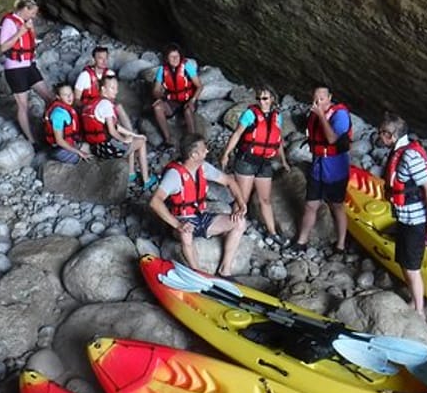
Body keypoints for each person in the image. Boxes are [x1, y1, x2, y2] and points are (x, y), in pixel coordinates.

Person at [150, 133, 248, 276]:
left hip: (201, 217)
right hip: (182, 221)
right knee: (186, 234)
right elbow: (155, 201)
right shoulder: (174, 175)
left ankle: (224, 271)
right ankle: (198, 274)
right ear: (194, 155)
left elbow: (229, 181)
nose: (207, 151)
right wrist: (178, 225)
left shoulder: (203, 167)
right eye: (204, 149)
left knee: (239, 222)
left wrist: (241, 203)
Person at [377, 112, 427, 317]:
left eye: (381, 133)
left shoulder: (409, 156)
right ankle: (414, 300)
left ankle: (419, 310)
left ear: (390, 135)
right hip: (404, 218)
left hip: (415, 220)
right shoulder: (399, 151)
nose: (379, 137)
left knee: (412, 268)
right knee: (404, 262)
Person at [219, 87, 291, 243]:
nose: (261, 102)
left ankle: (272, 233)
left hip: (265, 162)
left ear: (272, 99)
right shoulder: (250, 114)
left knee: (265, 200)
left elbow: (277, 141)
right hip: (247, 160)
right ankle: (231, 229)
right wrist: (225, 153)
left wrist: (283, 161)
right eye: (259, 98)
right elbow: (237, 134)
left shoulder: (277, 117)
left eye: (265, 98)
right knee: (242, 199)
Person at [291, 85, 351, 254]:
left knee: (337, 206)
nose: (318, 103)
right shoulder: (314, 114)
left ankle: (340, 244)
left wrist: (321, 116)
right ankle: (301, 240)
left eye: (322, 99)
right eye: (315, 99)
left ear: (330, 97)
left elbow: (332, 139)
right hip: (318, 167)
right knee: (311, 205)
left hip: (336, 170)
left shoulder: (340, 115)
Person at [81, 74, 158, 189]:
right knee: (141, 142)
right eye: (112, 88)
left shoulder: (94, 103)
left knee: (134, 139)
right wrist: (124, 139)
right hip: (106, 148)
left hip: (96, 146)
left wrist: (133, 135)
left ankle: (131, 173)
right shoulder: (106, 105)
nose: (116, 91)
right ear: (103, 89)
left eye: (116, 87)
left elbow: (116, 127)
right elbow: (112, 131)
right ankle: (146, 180)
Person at [0, 0, 54, 143]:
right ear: (24, 9)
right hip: (15, 68)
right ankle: (31, 139)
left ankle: (52, 127)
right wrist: (20, 32)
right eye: (32, 13)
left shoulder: (26, 21)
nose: (34, 16)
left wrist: (31, 30)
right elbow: (3, 47)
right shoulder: (9, 22)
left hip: (29, 65)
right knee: (23, 105)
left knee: (48, 97)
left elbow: (31, 42)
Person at [152, 43, 203, 144]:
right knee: (157, 107)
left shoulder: (187, 66)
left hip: (187, 99)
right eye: (172, 56)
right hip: (172, 101)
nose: (175, 59)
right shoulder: (162, 70)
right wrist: (159, 98)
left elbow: (199, 86)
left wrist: (193, 100)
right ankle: (168, 138)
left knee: (188, 111)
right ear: (167, 58)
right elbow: (156, 89)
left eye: (177, 56)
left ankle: (192, 140)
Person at [43, 83, 92, 163]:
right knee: (86, 150)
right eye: (65, 95)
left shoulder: (68, 108)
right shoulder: (58, 114)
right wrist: (79, 152)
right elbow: (59, 141)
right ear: (58, 97)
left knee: (88, 144)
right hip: (59, 149)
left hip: (69, 142)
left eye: (70, 93)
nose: (69, 97)